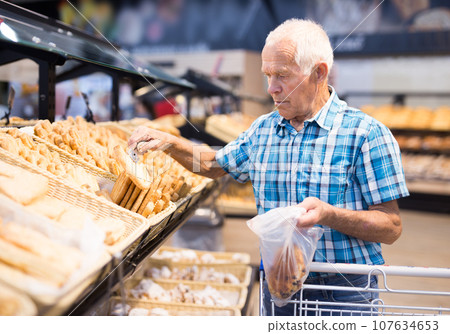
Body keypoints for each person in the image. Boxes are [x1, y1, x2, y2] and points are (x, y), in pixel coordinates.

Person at [128, 19, 409, 316]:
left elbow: (390, 227)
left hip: (343, 294)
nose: (271, 88)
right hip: (277, 287)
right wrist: (170, 143)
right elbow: (212, 164)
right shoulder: (263, 130)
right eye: (267, 75)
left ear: (319, 72)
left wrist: (329, 215)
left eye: (282, 76)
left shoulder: (366, 134)